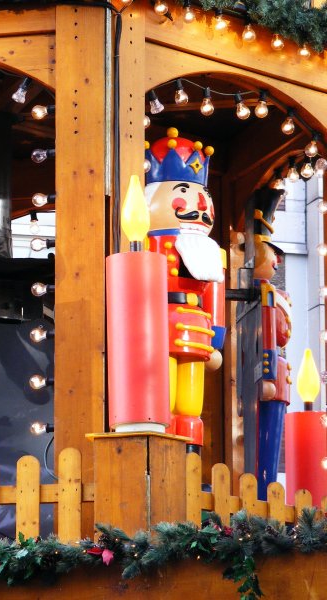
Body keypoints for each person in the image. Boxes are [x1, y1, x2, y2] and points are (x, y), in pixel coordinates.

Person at [144, 127, 225, 453]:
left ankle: (190, 458)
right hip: (160, 326)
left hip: (197, 329)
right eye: (183, 193)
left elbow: (215, 298)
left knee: (191, 403)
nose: (198, 205)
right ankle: (161, 455)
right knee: (162, 396)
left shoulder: (211, 250)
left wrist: (217, 338)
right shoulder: (150, 244)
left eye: (202, 196)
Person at [250, 189, 291, 496]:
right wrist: (265, 373)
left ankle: (268, 491)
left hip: (280, 369)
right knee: (260, 441)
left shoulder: (277, 294)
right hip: (269, 370)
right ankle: (263, 492)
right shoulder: (261, 294)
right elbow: (265, 330)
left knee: (273, 440)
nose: (275, 261)